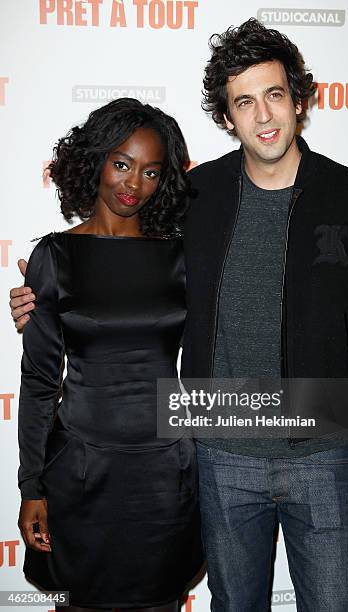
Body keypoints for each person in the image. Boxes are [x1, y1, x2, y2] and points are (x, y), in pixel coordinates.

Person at [10, 19, 348, 612]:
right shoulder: (197, 198)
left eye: (275, 94)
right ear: (227, 117)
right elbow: (123, 271)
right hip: (219, 459)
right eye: (244, 102)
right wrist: (45, 296)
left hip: (324, 457)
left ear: (299, 100)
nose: (264, 116)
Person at [13, 97, 203, 612]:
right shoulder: (55, 257)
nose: (132, 183)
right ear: (95, 160)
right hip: (81, 475)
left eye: (149, 172)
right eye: (121, 163)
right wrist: (31, 485)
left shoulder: (181, 258)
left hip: (167, 477)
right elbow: (37, 384)